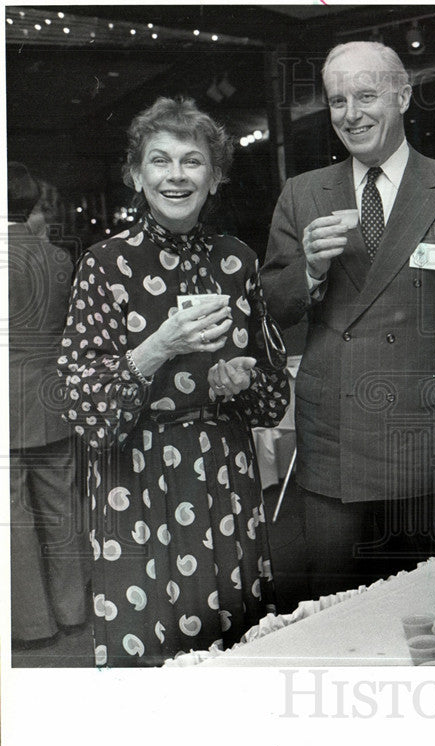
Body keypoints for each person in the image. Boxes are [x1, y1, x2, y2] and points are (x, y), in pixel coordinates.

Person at [261, 41, 435, 599]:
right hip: (332, 437)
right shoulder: (303, 193)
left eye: (366, 96)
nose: (351, 114)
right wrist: (311, 269)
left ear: (403, 95)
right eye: (337, 100)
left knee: (420, 600)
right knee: (329, 599)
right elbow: (272, 307)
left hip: (421, 436)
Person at [57, 98, 289, 666]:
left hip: (226, 475)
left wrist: (241, 381)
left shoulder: (237, 261)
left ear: (216, 177)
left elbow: (274, 396)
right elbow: (83, 407)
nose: (176, 175)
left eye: (193, 161)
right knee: (147, 639)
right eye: (160, 161)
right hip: (134, 479)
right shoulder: (104, 264)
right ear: (137, 175)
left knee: (235, 638)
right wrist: (161, 344)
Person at [8, 162, 91, 646]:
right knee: (62, 504)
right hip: (52, 397)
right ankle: (74, 610)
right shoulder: (59, 259)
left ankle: (33, 625)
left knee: (14, 512)